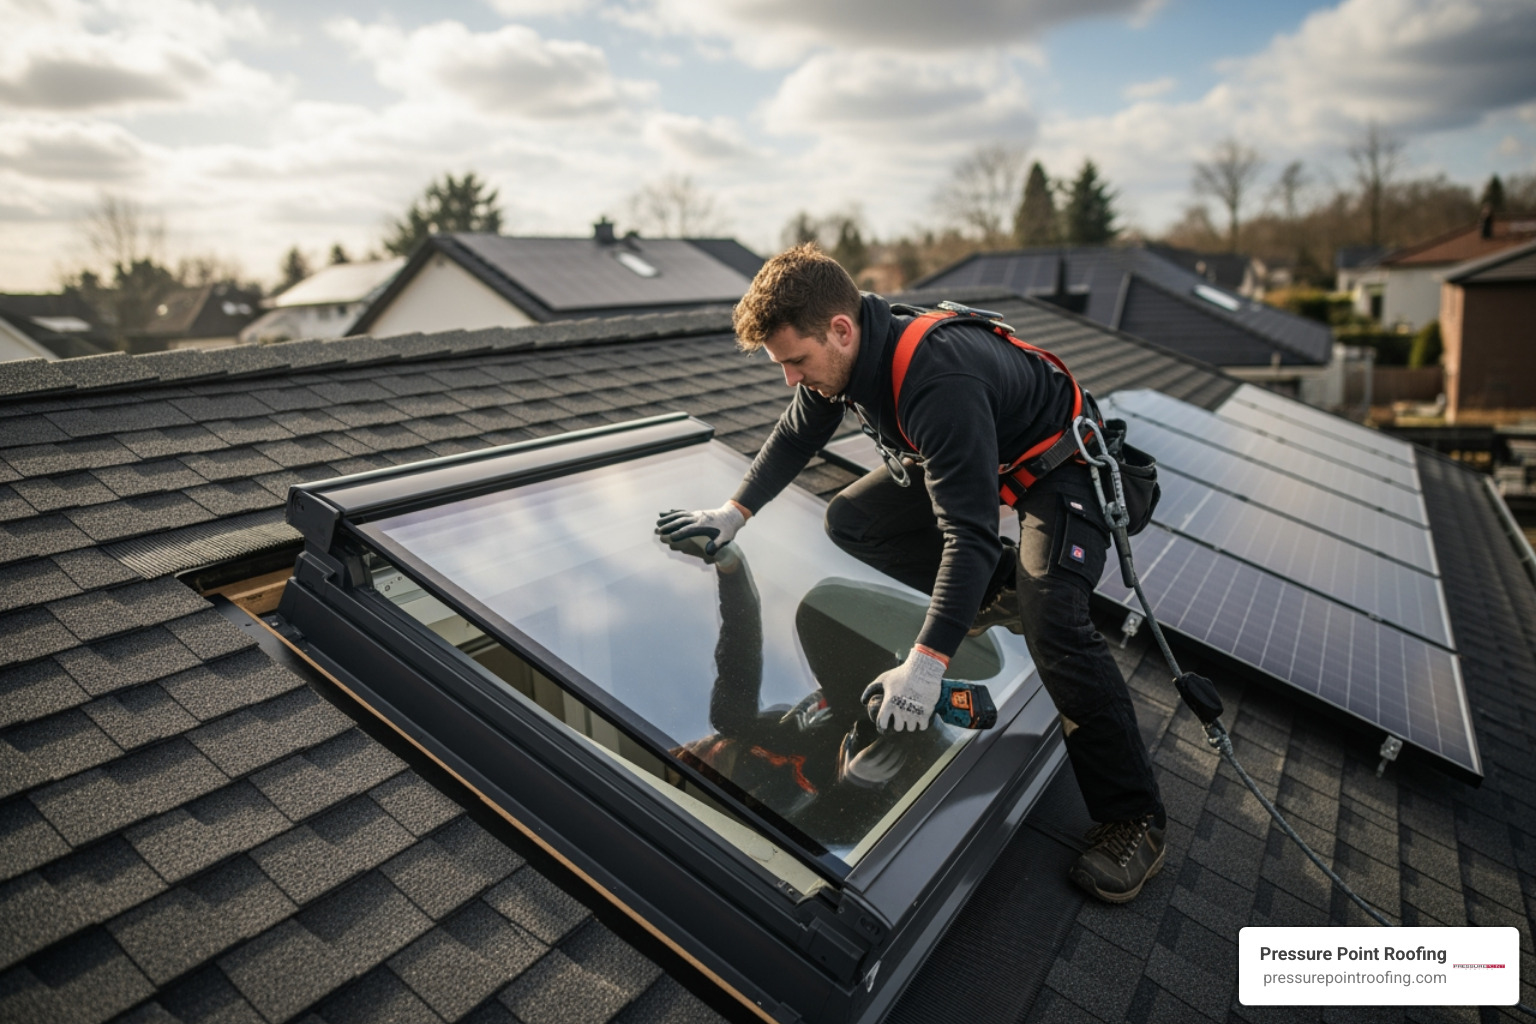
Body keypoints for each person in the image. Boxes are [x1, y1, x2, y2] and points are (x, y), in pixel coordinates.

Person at [656, 243, 1166, 903]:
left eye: (796, 362)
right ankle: (1000, 593)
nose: (790, 379)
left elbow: (970, 531)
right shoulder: (848, 358)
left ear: (840, 329)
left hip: (1062, 469)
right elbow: (795, 434)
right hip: (986, 454)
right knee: (852, 520)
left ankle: (1136, 822)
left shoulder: (934, 379)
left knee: (1055, 620)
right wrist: (733, 513)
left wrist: (927, 664)